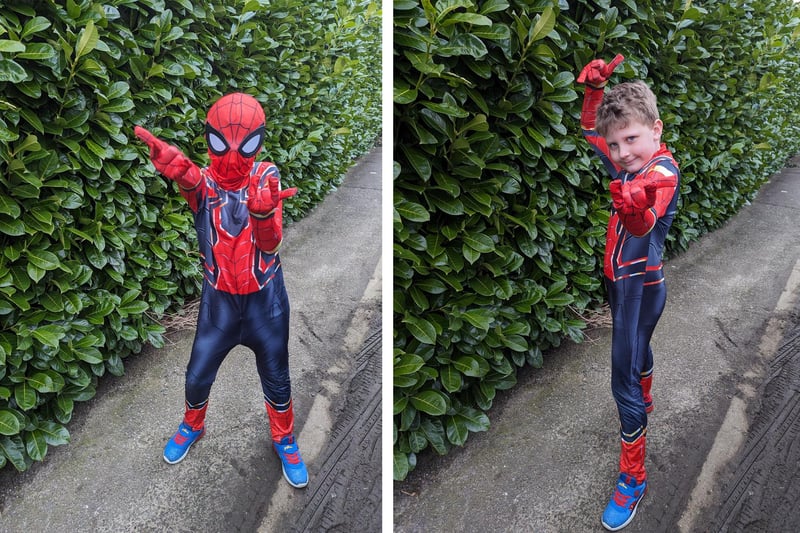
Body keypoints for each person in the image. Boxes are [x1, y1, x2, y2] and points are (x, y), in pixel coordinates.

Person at [134, 92, 308, 488]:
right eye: (221, 141)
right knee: (197, 374)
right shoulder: (205, 183)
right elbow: (195, 181)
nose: (231, 153)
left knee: (277, 376)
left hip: (266, 302)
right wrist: (178, 171)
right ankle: (193, 425)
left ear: (258, 141)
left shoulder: (266, 176)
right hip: (219, 304)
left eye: (244, 143)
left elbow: (272, 243)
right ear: (210, 137)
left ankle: (284, 438)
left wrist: (263, 215)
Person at [577, 56, 680, 530]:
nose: (620, 153)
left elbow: (647, 220)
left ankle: (633, 477)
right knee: (638, 355)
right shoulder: (630, 159)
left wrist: (633, 205)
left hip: (641, 290)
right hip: (624, 288)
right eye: (617, 144)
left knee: (622, 381)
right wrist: (595, 94)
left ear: (656, 130)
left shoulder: (661, 173)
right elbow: (590, 133)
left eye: (631, 139)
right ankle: (647, 391)